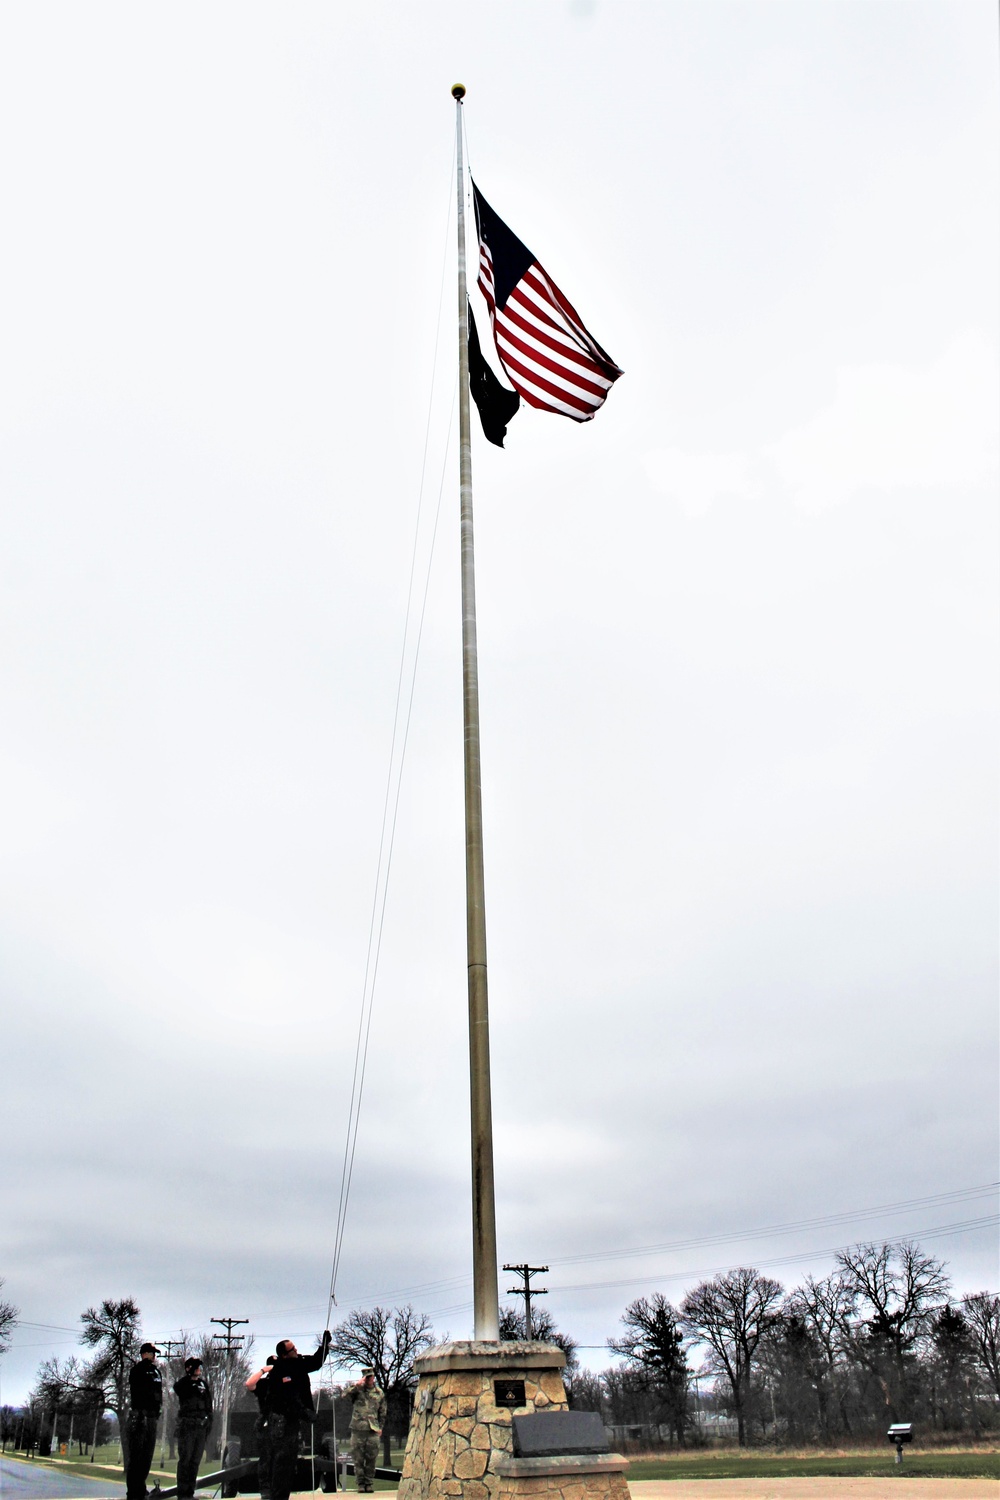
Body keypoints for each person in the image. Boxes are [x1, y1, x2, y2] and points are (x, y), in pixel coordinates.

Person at [265, 1332, 332, 1500]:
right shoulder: (278, 1372)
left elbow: (316, 1362)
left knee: (289, 1464)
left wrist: (324, 1345)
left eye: (295, 1347)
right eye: (292, 1349)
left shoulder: (298, 1363)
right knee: (282, 1464)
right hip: (282, 1422)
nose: (296, 1350)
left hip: (293, 1421)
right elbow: (287, 1399)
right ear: (284, 1355)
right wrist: (305, 1412)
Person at [126, 1342, 163, 1500]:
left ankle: (141, 1489)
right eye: (151, 1353)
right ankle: (134, 1492)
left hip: (152, 1417)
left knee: (147, 1456)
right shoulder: (137, 1370)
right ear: (145, 1354)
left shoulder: (156, 1371)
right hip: (140, 1417)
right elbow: (139, 1392)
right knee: (137, 1457)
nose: (154, 1356)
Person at [173, 1357, 213, 1500]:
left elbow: (209, 1405)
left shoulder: (203, 1384)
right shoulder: (183, 1384)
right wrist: (189, 1376)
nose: (199, 1369)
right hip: (187, 1426)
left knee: (195, 1460)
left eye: (199, 1367)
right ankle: (182, 1493)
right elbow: (178, 1389)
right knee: (186, 1460)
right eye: (196, 1367)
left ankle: (190, 1492)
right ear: (190, 1368)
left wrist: (209, 1422)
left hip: (201, 1426)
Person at [347, 1368, 386, 1494]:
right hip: (358, 1430)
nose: (369, 1379)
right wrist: (356, 1386)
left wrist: (380, 1427)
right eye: (367, 1377)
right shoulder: (357, 1391)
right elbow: (344, 1395)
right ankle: (360, 1484)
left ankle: (369, 1483)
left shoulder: (379, 1392)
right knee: (358, 1459)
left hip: (372, 1430)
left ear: (374, 1377)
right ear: (363, 1378)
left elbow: (383, 1412)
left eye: (371, 1377)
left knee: (371, 1458)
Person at [245, 1355, 276, 1500]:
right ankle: (265, 1490)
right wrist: (263, 1370)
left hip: (283, 1423)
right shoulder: (264, 1383)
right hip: (267, 1422)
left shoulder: (286, 1381)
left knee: (280, 1459)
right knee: (266, 1458)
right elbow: (249, 1384)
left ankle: (278, 1488)